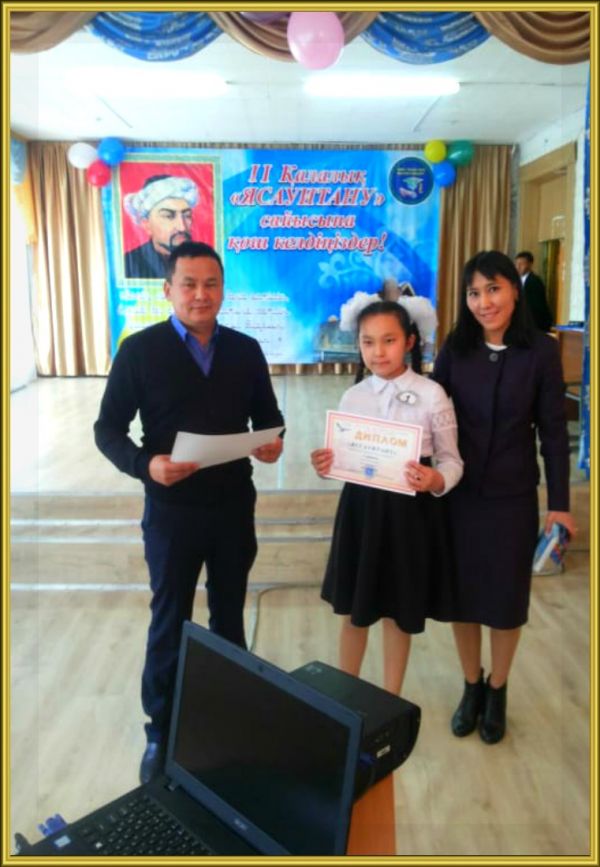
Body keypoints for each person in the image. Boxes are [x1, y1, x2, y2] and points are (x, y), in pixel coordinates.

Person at [94, 241, 285, 783]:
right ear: (168, 289)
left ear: (223, 289)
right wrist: (145, 465)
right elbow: (107, 430)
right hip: (172, 511)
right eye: (189, 284)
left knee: (229, 617)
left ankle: (227, 720)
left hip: (232, 508)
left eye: (211, 284)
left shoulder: (245, 350)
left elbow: (269, 418)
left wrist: (272, 444)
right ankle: (161, 729)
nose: (201, 294)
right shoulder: (139, 351)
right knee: (169, 619)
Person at [433, 250, 575, 745]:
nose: (484, 302)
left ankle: (498, 688)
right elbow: (430, 417)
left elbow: (553, 433)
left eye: (493, 289)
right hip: (459, 495)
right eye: (474, 292)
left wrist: (560, 502)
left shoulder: (541, 352)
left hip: (513, 497)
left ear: (515, 288)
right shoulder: (456, 348)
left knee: (506, 598)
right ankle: (471, 684)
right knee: (463, 598)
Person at [311, 299, 463, 695]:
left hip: (408, 516)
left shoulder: (433, 395)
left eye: (389, 340)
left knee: (398, 611)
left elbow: (452, 462)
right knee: (353, 611)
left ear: (410, 341)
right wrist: (327, 464)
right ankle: (346, 696)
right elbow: (344, 460)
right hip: (361, 512)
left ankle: (390, 700)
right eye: (368, 342)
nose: (378, 351)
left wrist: (435, 479)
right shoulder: (353, 396)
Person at [123, 175, 200, 279]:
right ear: (146, 224)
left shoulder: (203, 260)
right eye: (169, 216)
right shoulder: (129, 264)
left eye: (187, 216)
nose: (182, 227)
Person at [514, 250, 554, 331]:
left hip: (536, 324)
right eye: (517, 264)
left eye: (521, 264)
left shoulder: (534, 281)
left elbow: (535, 307)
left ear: (530, 264)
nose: (518, 267)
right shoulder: (517, 281)